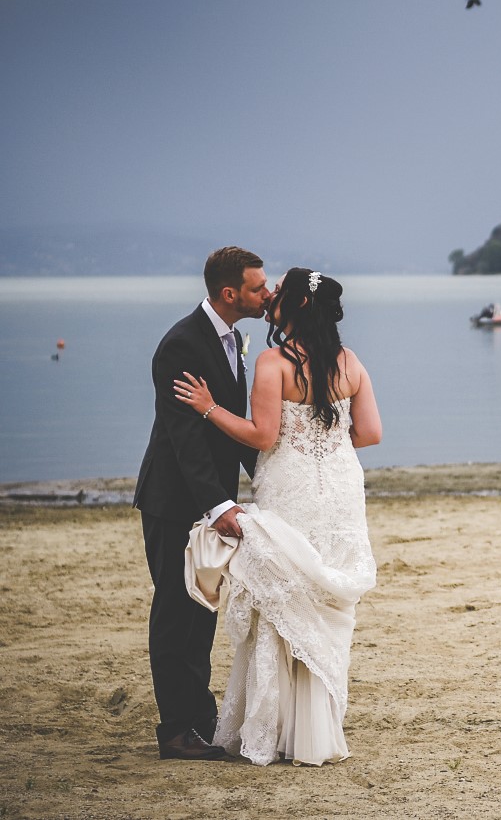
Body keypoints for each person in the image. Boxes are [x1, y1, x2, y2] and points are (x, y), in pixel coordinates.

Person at [173, 267, 382, 766]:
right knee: (320, 591)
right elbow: (370, 433)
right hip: (340, 489)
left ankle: (275, 729)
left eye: (279, 295)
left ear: (297, 307)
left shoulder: (274, 361)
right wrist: (325, 445)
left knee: (284, 593)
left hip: (292, 487)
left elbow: (263, 437)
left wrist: (208, 408)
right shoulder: (350, 362)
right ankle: (316, 729)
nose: (270, 300)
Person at [134, 246, 270, 760]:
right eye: (259, 288)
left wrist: (271, 483)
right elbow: (184, 436)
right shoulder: (180, 345)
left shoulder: (232, 337)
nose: (268, 293)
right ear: (230, 293)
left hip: (211, 502)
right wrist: (219, 506)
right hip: (174, 501)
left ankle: (200, 717)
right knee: (175, 611)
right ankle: (174, 732)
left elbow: (231, 429)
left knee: (204, 610)